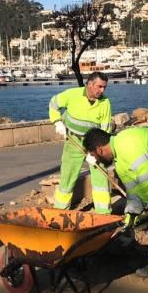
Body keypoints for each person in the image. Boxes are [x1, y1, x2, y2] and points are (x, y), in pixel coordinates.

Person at [82, 126, 148, 281]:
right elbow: (133, 192)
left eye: (94, 156)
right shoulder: (120, 162)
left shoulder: (126, 144)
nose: (97, 161)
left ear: (99, 150)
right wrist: (130, 217)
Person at [48, 72, 112, 213]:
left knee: (101, 177)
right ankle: (60, 211)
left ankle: (103, 213)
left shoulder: (105, 103)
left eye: (104, 87)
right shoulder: (72, 95)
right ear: (89, 84)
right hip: (73, 140)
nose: (102, 90)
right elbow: (53, 103)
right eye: (99, 86)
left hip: (95, 146)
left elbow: (105, 130)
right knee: (67, 178)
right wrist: (57, 122)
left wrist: (97, 152)